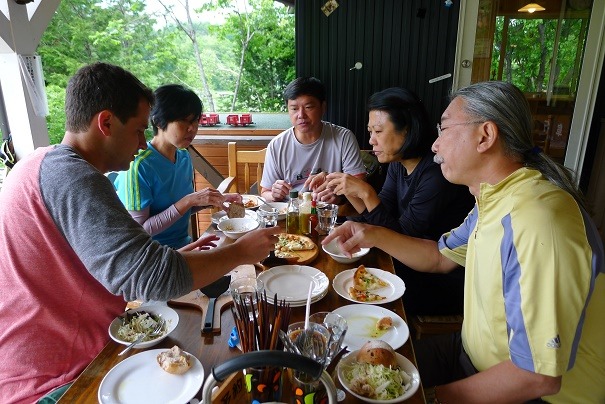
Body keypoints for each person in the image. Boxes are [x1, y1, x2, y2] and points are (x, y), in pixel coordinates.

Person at [0, 62, 280, 404]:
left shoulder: (39, 164)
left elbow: (109, 261)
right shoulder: (74, 178)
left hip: (70, 358)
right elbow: (148, 278)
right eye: (137, 130)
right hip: (58, 383)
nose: (142, 141)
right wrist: (241, 252)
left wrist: (179, 255)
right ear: (105, 123)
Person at [323, 81, 605, 403]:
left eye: (443, 130)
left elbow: (536, 376)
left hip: (532, 392)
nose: (434, 145)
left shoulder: (538, 219)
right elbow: (439, 258)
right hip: (471, 354)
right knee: (346, 373)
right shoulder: (492, 199)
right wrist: (369, 233)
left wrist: (430, 399)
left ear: (485, 136)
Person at [325, 87, 474, 315]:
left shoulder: (436, 174)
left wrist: (366, 193)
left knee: (348, 294)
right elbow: (381, 219)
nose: (371, 140)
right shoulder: (398, 163)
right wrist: (345, 189)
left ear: (406, 130)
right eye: (370, 131)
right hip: (405, 263)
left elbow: (401, 235)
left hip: (437, 279)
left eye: (378, 131)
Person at [114, 84, 240, 250]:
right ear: (158, 121)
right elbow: (140, 231)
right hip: (154, 258)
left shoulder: (183, 156)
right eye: (184, 121)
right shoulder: (138, 166)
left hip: (185, 247)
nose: (192, 128)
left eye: (195, 121)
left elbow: (181, 208)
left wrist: (213, 199)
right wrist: (188, 200)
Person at [260, 76, 366, 203]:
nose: (301, 115)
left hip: (329, 214)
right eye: (294, 108)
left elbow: (360, 186)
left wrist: (339, 197)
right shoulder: (277, 145)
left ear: (323, 107)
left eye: (308, 107)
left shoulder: (343, 138)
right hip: (291, 214)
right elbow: (265, 192)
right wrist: (274, 194)